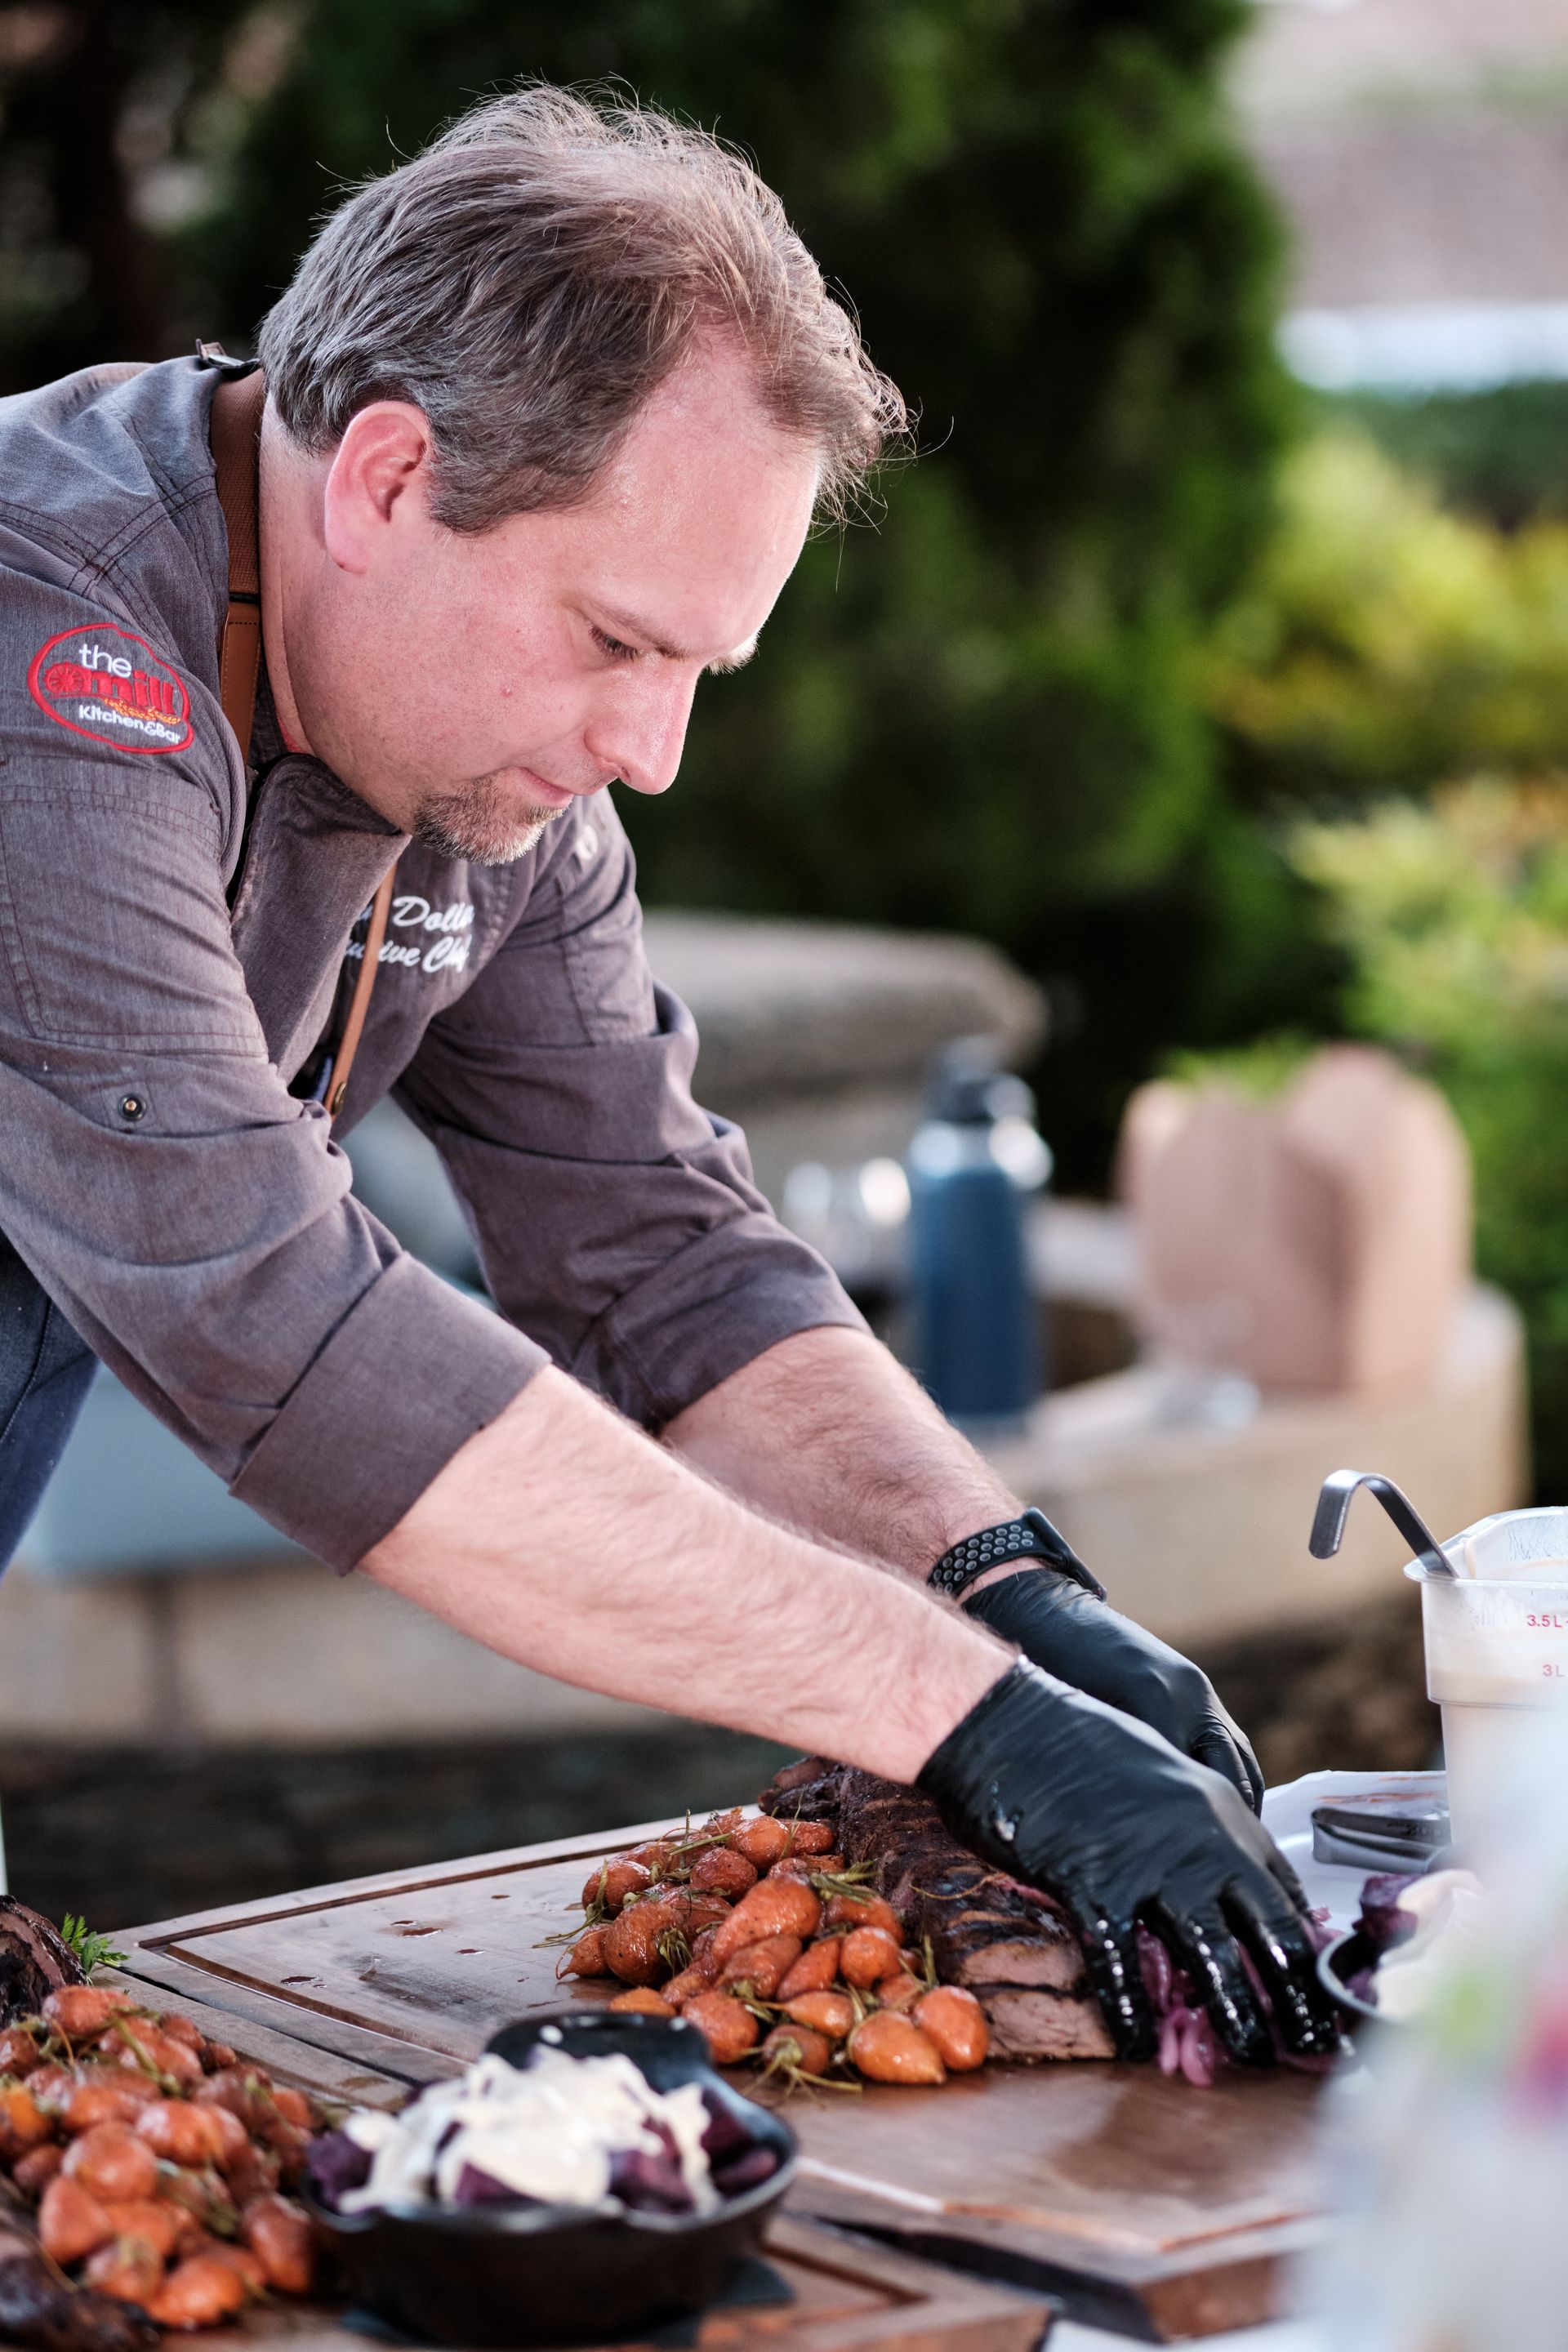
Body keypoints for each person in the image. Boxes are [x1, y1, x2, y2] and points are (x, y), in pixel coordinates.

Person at [0, 87, 1335, 2065]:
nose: (655, 753)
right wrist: (960, 1717)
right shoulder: (47, 649)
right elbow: (285, 1332)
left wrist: (1014, 1596)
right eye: (619, 641)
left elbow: (662, 1259)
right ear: (381, 478)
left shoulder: (460, 738)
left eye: (700, 667)